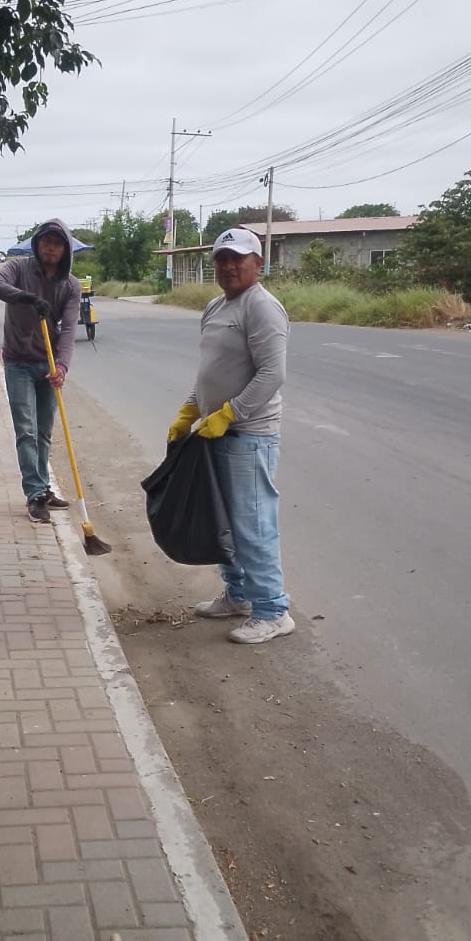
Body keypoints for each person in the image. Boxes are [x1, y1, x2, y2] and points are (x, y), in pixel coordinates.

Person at [168, 227, 293, 644]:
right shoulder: (215, 307)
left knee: (252, 524)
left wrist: (230, 413)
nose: (228, 266)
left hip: (248, 435)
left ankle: (273, 611)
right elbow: (210, 370)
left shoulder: (262, 307)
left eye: (237, 258)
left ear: (258, 263)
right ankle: (239, 594)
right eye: (221, 259)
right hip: (214, 431)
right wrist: (190, 409)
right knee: (223, 521)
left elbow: (273, 374)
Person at [0, 219, 81, 523]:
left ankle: (44, 487)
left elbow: (69, 330)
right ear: (37, 243)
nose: (51, 248)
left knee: (43, 432)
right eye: (46, 241)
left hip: (48, 363)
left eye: (57, 243)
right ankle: (35, 494)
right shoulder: (17, 268)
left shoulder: (71, 285)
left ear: (65, 249)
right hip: (18, 362)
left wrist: (62, 366)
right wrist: (26, 298)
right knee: (26, 430)